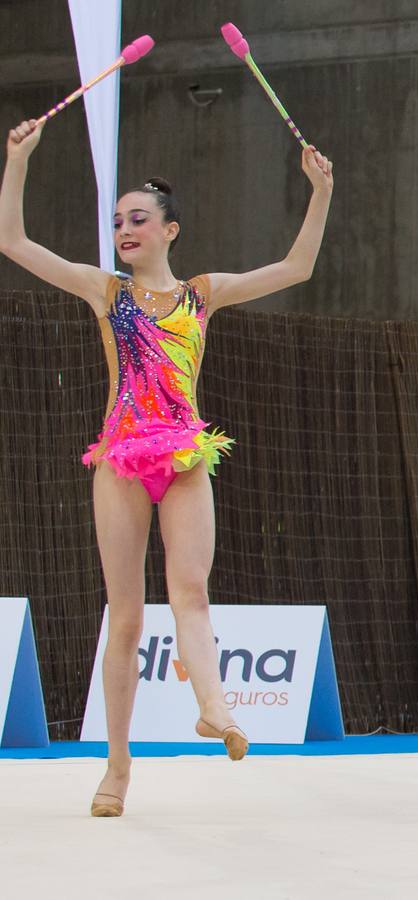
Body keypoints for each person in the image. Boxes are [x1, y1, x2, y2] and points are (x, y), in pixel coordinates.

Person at [1, 120, 333, 817]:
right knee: (124, 617)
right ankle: (116, 770)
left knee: (192, 592)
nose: (125, 228)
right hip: (121, 457)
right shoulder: (105, 292)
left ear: (170, 230)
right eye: (119, 220)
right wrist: (19, 162)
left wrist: (320, 191)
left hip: (183, 455)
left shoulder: (201, 295)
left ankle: (215, 706)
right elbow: (13, 242)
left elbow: (295, 268)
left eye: (139, 219)